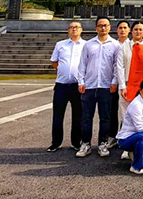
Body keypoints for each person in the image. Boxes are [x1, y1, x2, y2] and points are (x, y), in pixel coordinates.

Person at [76, 17, 123, 158]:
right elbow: (82, 64)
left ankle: (103, 144)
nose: (103, 28)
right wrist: (81, 82)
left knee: (105, 117)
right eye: (100, 25)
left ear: (110, 27)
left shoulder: (115, 45)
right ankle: (85, 143)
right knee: (86, 117)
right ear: (96, 27)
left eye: (106, 25)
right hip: (89, 86)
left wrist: (114, 81)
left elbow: (117, 66)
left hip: (106, 86)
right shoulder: (88, 44)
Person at [48, 21, 85, 152]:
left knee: (78, 116)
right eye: (71, 27)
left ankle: (76, 142)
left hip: (78, 86)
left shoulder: (86, 45)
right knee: (58, 115)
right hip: (61, 86)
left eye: (76, 27)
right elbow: (54, 62)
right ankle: (56, 142)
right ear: (68, 30)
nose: (74, 29)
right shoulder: (60, 45)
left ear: (81, 30)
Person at [118, 21, 143, 160]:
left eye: (140, 30)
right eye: (135, 29)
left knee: (141, 116)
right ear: (131, 31)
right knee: (125, 117)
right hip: (127, 85)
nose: (138, 32)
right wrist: (122, 86)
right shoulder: (124, 46)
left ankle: (140, 145)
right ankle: (126, 147)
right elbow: (120, 67)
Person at [109, 20, 131, 149]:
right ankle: (112, 136)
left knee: (126, 112)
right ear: (117, 30)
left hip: (126, 84)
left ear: (129, 30)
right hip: (112, 83)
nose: (122, 30)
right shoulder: (112, 44)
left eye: (125, 28)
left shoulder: (133, 45)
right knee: (112, 111)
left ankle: (124, 136)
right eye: (120, 28)